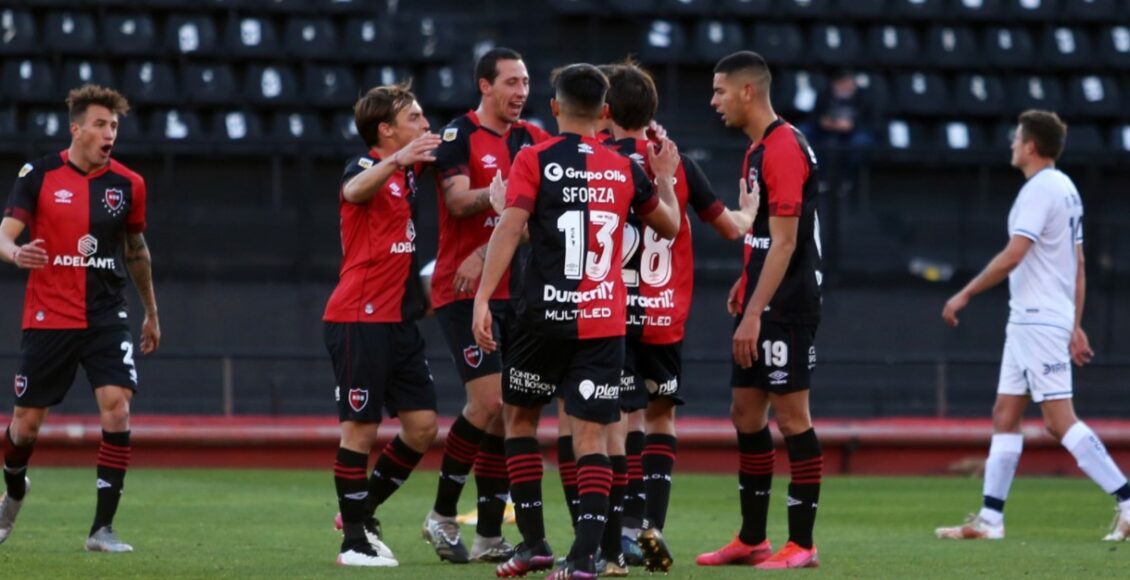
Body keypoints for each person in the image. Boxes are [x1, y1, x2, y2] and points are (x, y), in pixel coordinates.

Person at [473, 63, 682, 579]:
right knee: (592, 438)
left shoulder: (534, 158)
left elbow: (510, 227)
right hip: (603, 321)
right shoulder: (624, 169)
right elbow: (671, 226)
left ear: (554, 108)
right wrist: (662, 179)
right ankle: (585, 558)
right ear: (606, 113)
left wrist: (482, 298)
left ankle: (535, 544)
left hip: (540, 318)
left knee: (519, 422)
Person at [594, 60, 760, 575]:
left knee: (618, 422)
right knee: (662, 416)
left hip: (613, 313)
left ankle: (619, 530)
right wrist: (751, 211)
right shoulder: (679, 164)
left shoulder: (598, 162)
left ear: (605, 111)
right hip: (664, 314)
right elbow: (732, 230)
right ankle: (651, 528)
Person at [935, 110, 1130, 542]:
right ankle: (990, 519)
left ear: (1031, 146)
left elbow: (1014, 253)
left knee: (1059, 421)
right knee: (1004, 415)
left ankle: (1128, 501)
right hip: (1034, 317)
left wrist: (965, 292)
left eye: (1016, 138)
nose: (1011, 144)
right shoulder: (1067, 189)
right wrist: (1075, 324)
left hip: (1037, 319)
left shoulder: (1040, 190)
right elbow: (1077, 263)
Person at [0, 84, 159, 553]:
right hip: (49, 315)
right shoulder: (39, 174)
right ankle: (14, 490)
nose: (109, 133)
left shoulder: (129, 184)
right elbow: (5, 235)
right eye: (100, 124)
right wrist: (16, 254)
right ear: (76, 129)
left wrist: (151, 311)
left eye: (114, 125)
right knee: (26, 426)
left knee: (118, 406)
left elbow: (136, 251)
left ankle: (102, 529)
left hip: (105, 314)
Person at [696, 51, 824, 570]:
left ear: (748, 91)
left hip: (787, 304)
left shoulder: (784, 149)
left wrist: (756, 309)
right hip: (763, 296)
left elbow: (789, 241)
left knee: (793, 417)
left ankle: (803, 543)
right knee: (745, 413)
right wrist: (745, 280)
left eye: (720, 90)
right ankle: (752, 538)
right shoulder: (756, 150)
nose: (713, 101)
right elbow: (766, 235)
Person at [422, 47, 550, 564]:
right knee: (490, 403)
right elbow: (455, 200)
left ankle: (489, 535)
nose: (521, 92)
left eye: (525, 82)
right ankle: (441, 514)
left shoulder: (532, 139)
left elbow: (533, 212)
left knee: (507, 413)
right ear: (484, 86)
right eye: (511, 83)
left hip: (510, 292)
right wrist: (493, 199)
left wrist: (487, 248)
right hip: (461, 291)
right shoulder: (458, 136)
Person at [323, 83, 443, 567]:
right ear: (386, 131)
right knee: (360, 430)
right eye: (414, 117)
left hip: (396, 322)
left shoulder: (409, 174)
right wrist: (397, 161)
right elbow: (352, 191)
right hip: (358, 317)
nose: (424, 124)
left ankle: (362, 512)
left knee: (422, 427)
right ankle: (353, 543)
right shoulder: (367, 166)